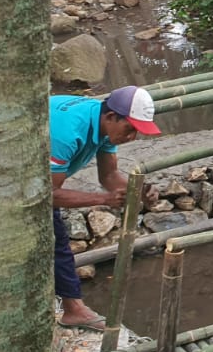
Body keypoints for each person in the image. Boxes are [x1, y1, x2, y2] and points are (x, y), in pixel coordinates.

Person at [49, 86, 162, 330]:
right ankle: (73, 309)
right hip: (12, 178)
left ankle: (72, 308)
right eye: (129, 129)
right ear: (112, 117)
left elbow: (109, 175)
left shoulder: (102, 123)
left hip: (41, 178)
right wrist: (103, 200)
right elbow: (48, 194)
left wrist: (140, 191)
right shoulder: (67, 133)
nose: (132, 138)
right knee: (57, 242)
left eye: (137, 132)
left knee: (56, 244)